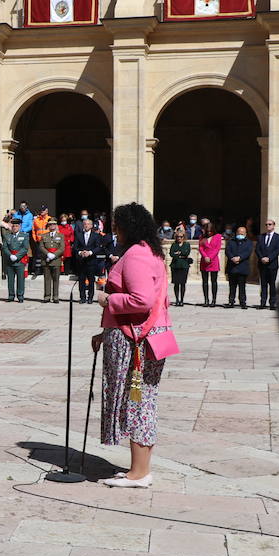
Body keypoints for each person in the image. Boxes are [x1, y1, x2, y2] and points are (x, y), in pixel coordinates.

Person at [92, 202, 177, 489]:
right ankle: (138, 468)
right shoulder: (149, 252)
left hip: (136, 342)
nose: (114, 232)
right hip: (143, 335)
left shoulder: (136, 255)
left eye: (116, 227)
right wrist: (104, 334)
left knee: (136, 400)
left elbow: (141, 300)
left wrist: (108, 299)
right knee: (142, 400)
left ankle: (139, 473)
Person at [72, 217, 101, 303]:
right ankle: (82, 297)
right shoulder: (79, 235)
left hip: (91, 261)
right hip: (81, 261)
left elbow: (98, 247)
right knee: (81, 280)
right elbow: (75, 248)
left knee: (91, 280)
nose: (86, 226)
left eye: (88, 224)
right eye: (84, 224)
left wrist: (90, 252)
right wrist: (80, 252)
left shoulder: (95, 235)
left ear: (91, 225)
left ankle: (90, 298)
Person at [0, 218, 29, 302]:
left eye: (16, 226)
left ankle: (20, 296)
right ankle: (11, 295)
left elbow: (25, 248)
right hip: (10, 260)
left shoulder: (24, 235)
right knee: (10, 280)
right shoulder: (8, 236)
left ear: (19, 226)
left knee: (20, 279)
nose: (15, 228)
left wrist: (17, 256)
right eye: (13, 226)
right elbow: (5, 247)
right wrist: (10, 255)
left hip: (19, 260)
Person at [255, 219, 279, 309]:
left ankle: (272, 303)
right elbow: (257, 249)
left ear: (274, 225)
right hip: (262, 264)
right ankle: (263, 302)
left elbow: (277, 250)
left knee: (272, 284)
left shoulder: (278, 237)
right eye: (266, 224)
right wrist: (262, 258)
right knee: (263, 284)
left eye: (270, 224)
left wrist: (269, 258)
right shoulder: (260, 237)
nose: (268, 226)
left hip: (272, 265)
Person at [225, 225, 252, 309]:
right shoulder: (231, 241)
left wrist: (240, 258)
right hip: (232, 267)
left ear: (245, 234)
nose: (240, 234)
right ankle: (231, 301)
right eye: (239, 233)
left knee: (242, 286)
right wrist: (232, 258)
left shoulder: (248, 242)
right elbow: (227, 251)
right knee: (232, 286)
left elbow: (248, 252)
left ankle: (243, 302)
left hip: (242, 267)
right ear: (236, 233)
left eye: (242, 233)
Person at [196, 219, 221, 306]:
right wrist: (205, 256)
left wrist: (210, 257)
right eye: (208, 231)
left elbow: (217, 248)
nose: (209, 232)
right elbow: (200, 248)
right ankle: (206, 300)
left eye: (210, 231)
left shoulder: (218, 236)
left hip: (213, 261)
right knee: (205, 281)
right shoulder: (202, 237)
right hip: (204, 261)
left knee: (214, 281)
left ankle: (213, 300)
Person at [38, 220, 64, 303]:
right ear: (48, 226)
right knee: (47, 279)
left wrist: (54, 255)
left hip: (56, 260)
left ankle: (55, 296)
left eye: (54, 224)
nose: (52, 226)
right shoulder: (44, 236)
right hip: (46, 259)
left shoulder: (61, 236)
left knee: (56, 279)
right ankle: (47, 296)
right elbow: (41, 247)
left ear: (56, 225)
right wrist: (48, 254)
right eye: (50, 224)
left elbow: (62, 248)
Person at [168, 228, 192, 306]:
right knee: (176, 284)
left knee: (182, 283)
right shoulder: (174, 244)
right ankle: (177, 300)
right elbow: (171, 253)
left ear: (184, 237)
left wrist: (178, 253)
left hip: (184, 266)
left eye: (181, 237)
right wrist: (179, 254)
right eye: (178, 236)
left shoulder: (187, 244)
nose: (179, 238)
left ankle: (182, 300)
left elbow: (186, 253)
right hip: (175, 266)